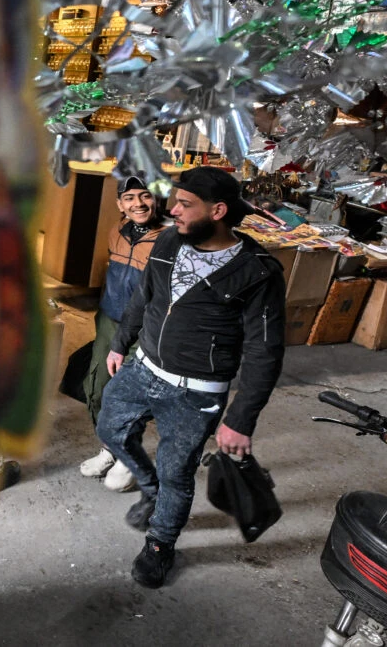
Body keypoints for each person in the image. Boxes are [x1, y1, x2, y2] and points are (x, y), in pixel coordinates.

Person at [96, 167, 286, 588]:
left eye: (185, 204)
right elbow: (143, 297)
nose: (172, 210)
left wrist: (241, 418)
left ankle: (160, 544)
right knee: (110, 429)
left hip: (194, 393)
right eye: (175, 201)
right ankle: (150, 490)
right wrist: (120, 343)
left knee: (176, 472)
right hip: (142, 366)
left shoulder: (257, 271)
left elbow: (264, 350)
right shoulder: (169, 239)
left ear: (217, 211)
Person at [81, 175, 166, 493]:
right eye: (129, 197)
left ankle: (127, 456)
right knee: (97, 386)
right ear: (120, 204)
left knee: (128, 395)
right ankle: (109, 448)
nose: (138, 204)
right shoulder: (115, 230)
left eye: (145, 196)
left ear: (156, 199)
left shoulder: (169, 238)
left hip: (144, 328)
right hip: (109, 321)